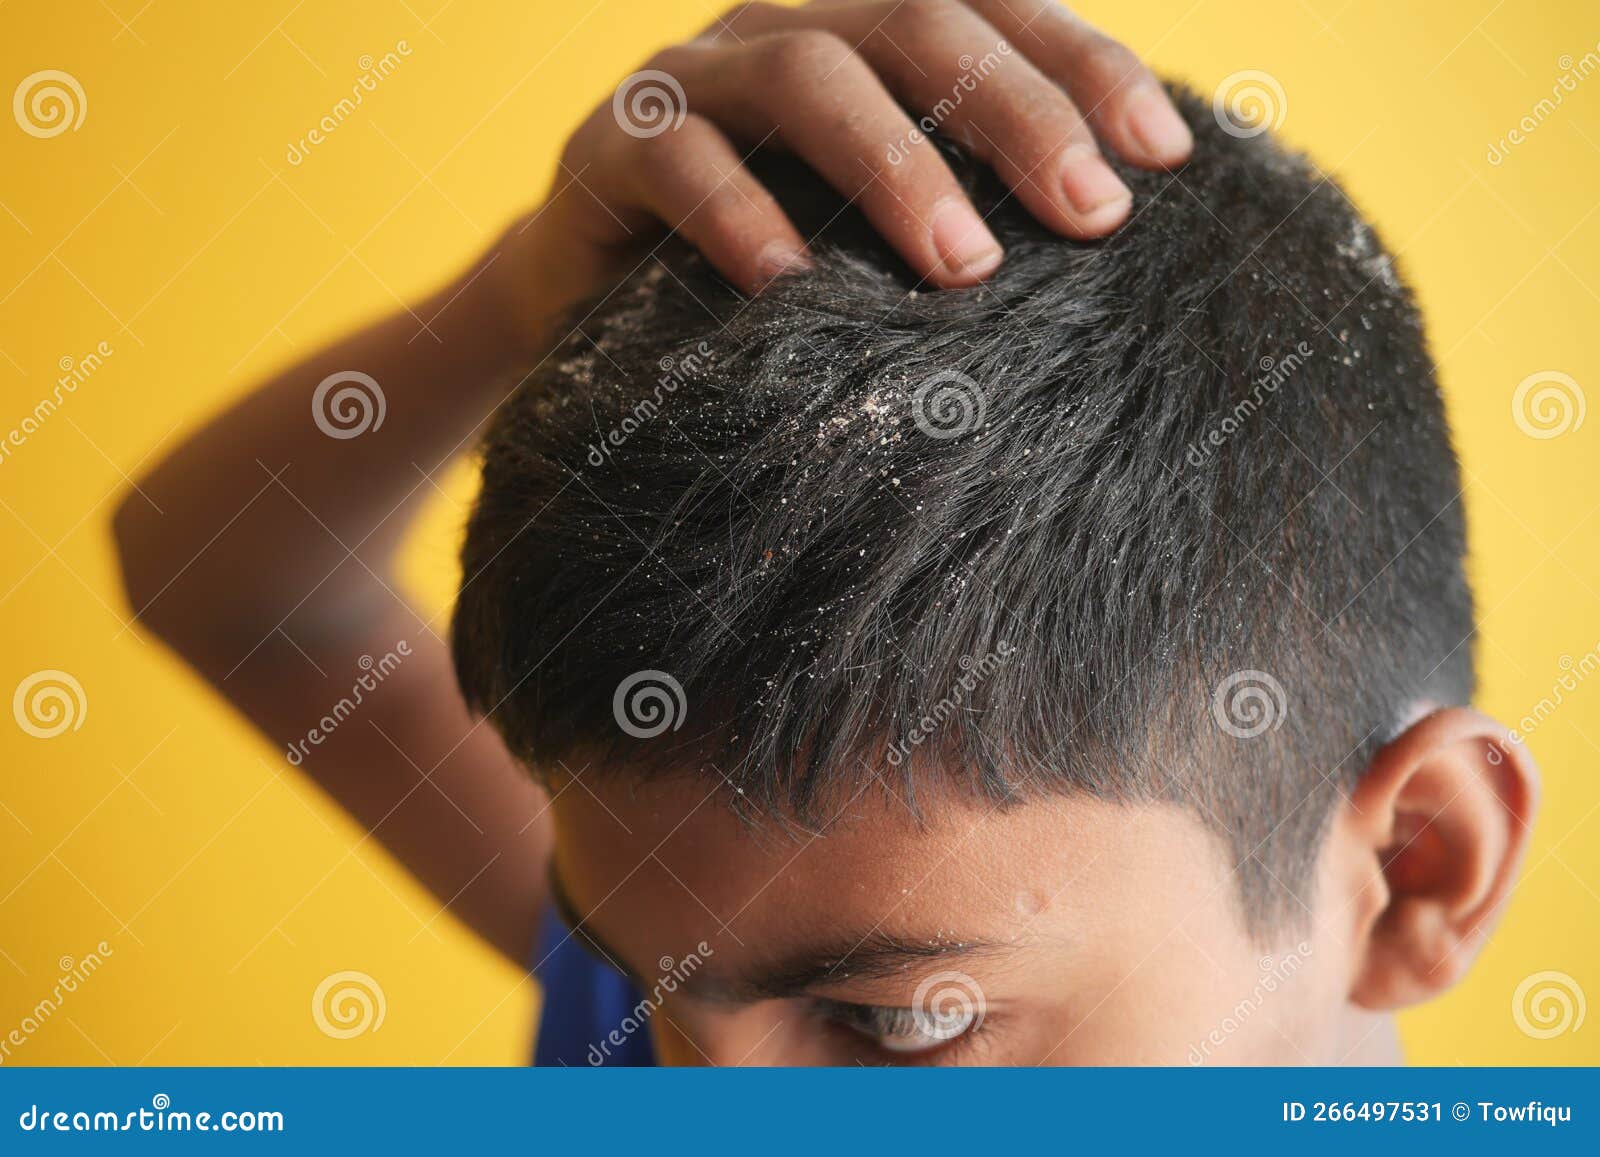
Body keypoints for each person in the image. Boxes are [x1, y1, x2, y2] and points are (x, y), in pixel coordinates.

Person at [113, 0, 1537, 1066]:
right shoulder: (711, 991)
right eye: (651, 988)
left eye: (904, 1031)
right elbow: (230, 588)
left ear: (1418, 865)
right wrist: (515, 299)